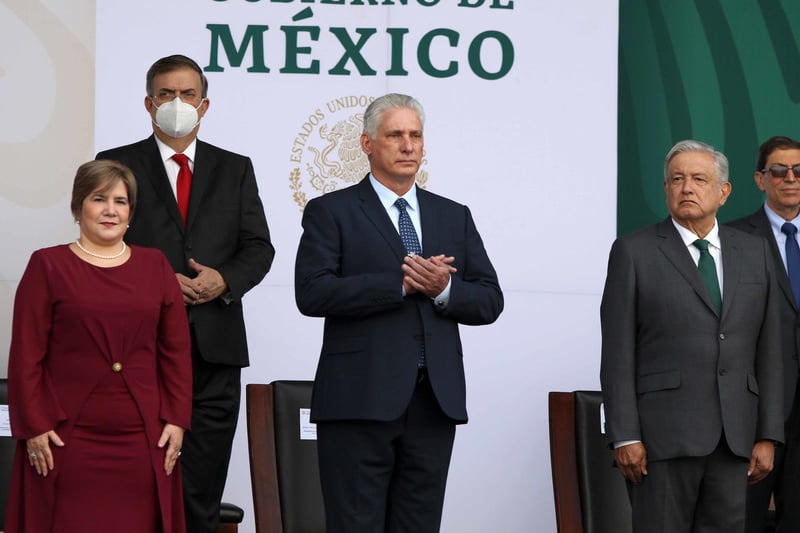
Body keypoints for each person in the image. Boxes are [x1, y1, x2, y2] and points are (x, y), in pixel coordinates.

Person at [294, 93, 504, 532]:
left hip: (433, 403)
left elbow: (489, 299)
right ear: (368, 144)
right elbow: (312, 293)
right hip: (359, 401)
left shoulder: (453, 215)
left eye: (416, 135)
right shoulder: (331, 211)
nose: (408, 145)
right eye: (395, 135)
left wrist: (444, 289)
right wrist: (399, 283)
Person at [95, 54, 275, 533]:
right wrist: (152, 278)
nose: (178, 103)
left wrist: (225, 280)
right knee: (134, 489)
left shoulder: (235, 168)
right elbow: (100, 243)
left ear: (205, 103)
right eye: (167, 94)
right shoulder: (115, 165)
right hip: (137, 351)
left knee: (199, 492)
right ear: (149, 103)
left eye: (188, 94)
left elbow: (259, 247)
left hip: (214, 353)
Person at [600, 139, 784, 532]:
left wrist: (767, 434)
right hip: (660, 440)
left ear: (723, 191)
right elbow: (617, 353)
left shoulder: (756, 252)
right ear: (665, 189)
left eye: (699, 179)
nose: (687, 188)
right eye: (677, 179)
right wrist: (624, 436)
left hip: (735, 440)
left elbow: (769, 350)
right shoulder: (633, 252)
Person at [5, 160, 193, 533]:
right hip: (63, 440)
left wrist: (177, 419)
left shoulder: (155, 266)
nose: (110, 210)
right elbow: (26, 357)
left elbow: (175, 353)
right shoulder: (47, 265)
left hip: (144, 440)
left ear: (131, 212)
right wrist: (34, 427)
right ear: (78, 207)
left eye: (121, 201)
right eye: (99, 198)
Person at [727, 135, 800, 533]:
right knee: (743, 518)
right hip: (756, 404)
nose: (790, 178)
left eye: (799, 170)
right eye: (779, 170)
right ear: (760, 179)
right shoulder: (732, 239)